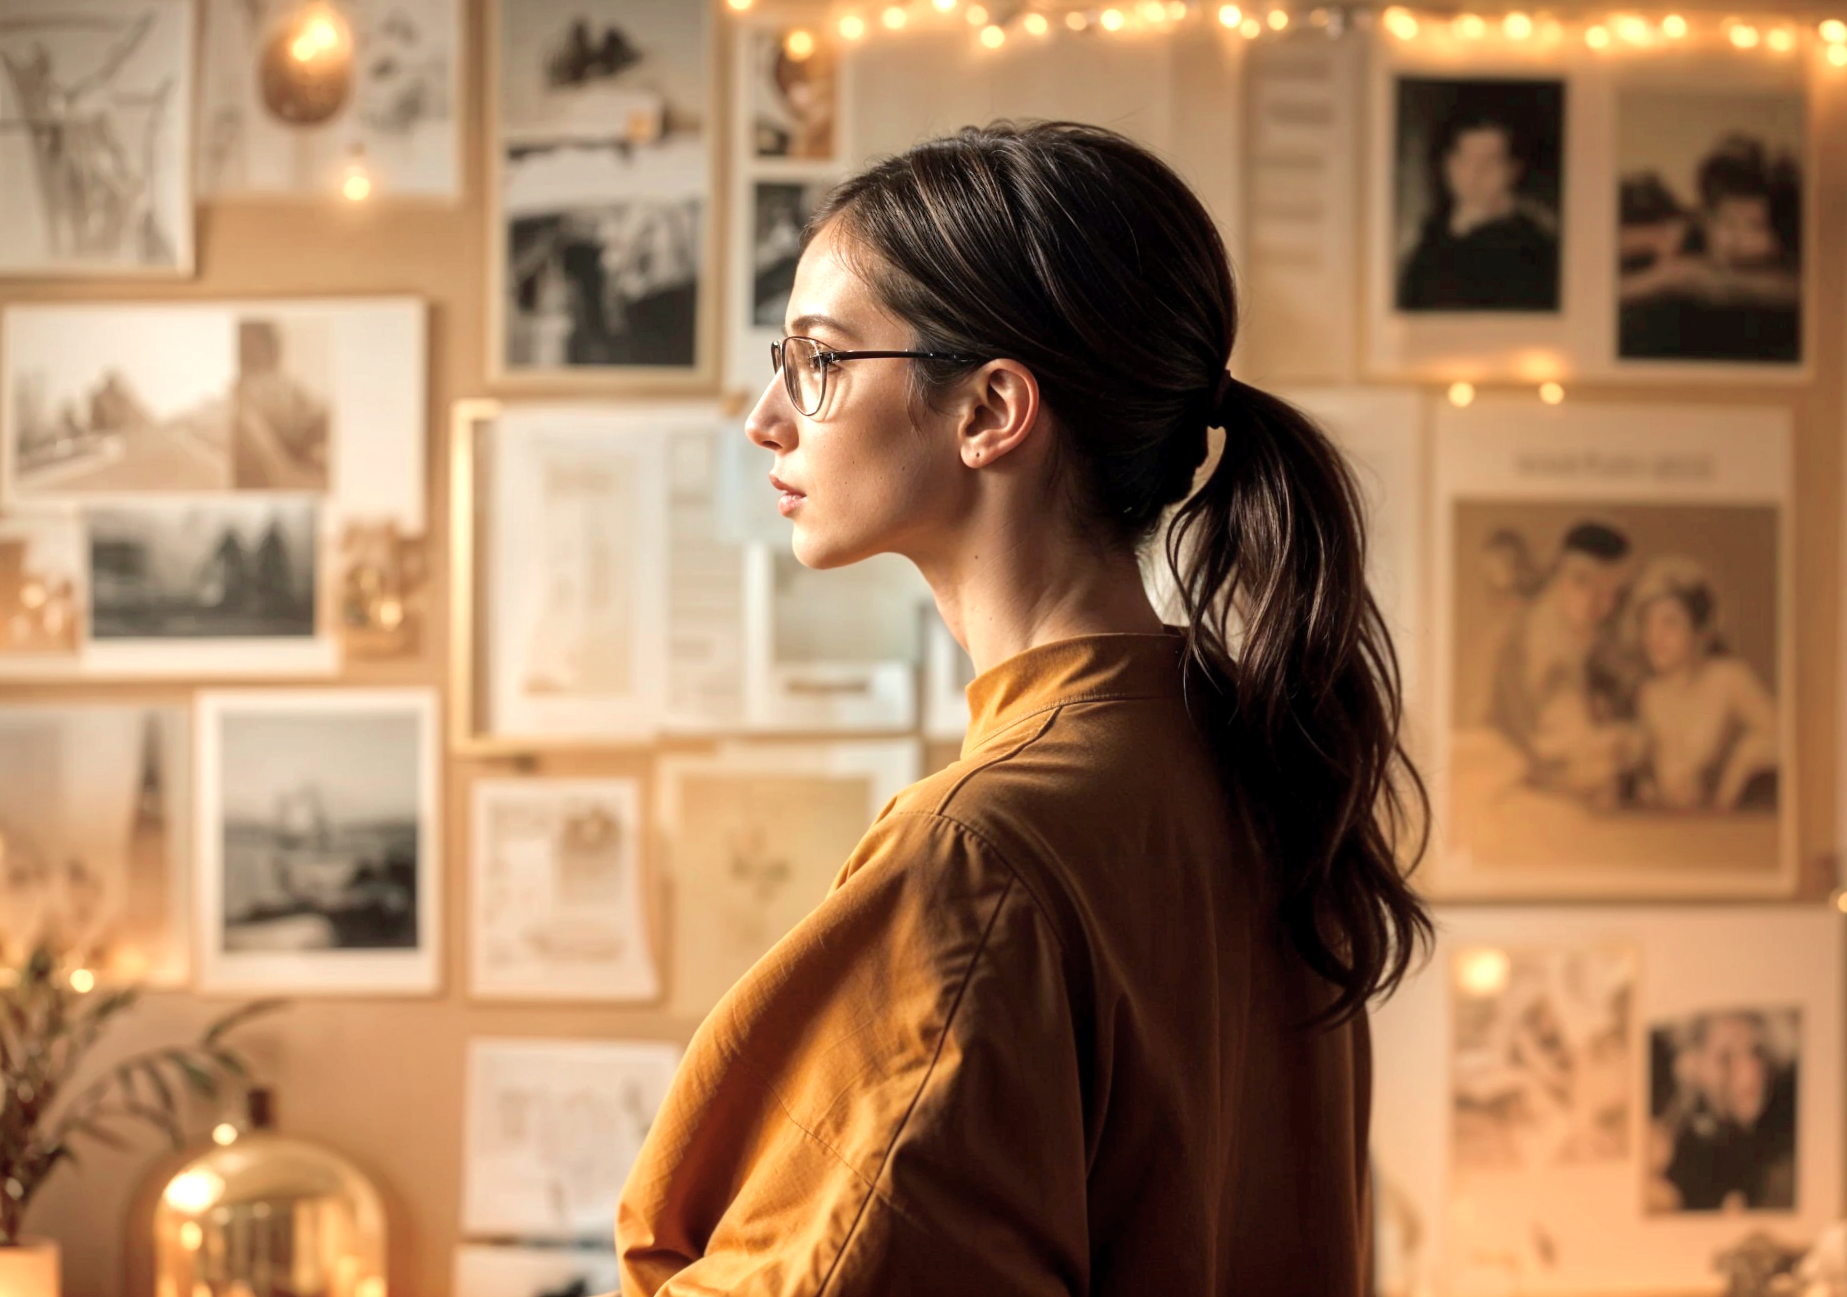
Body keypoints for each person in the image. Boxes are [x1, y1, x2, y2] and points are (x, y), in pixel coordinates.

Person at [615, 122, 1431, 1295]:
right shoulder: (1247, 761)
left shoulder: (976, 849)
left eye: (820, 360)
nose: (767, 417)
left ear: (990, 408)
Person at [1484, 521, 1636, 804]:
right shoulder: (1524, 638)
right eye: (1582, 581)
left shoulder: (1603, 638)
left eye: (1611, 592)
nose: (1597, 603)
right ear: (1559, 572)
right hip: (1532, 779)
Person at [1619, 135, 1802, 363]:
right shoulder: (1689, 238)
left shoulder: (1789, 285)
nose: (1734, 240)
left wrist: (1668, 277)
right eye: (1724, 222)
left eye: (1755, 227)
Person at [1624, 556, 1778, 811]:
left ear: (1699, 629)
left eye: (1669, 622)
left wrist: (1739, 769)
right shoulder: (1648, 695)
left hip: (1720, 822)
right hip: (1668, 827)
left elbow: (1787, 737)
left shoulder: (1729, 678)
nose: (1654, 636)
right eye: (1647, 623)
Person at [1398, 110, 1559, 312]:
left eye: (1490, 161)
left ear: (1513, 170)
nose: (1475, 173)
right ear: (1449, 165)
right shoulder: (1428, 243)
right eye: (1465, 159)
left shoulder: (1535, 250)